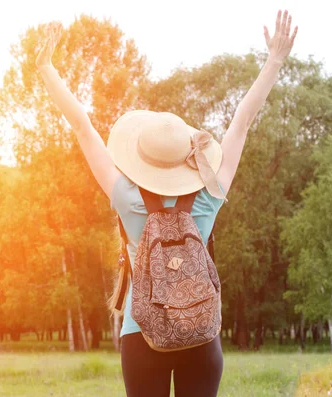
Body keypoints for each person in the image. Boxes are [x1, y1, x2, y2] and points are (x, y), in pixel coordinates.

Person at [36, 10, 298, 397]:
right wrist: (274, 60)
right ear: (184, 156)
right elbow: (242, 121)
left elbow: (82, 127)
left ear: (139, 156)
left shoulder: (126, 195)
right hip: (200, 335)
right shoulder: (209, 194)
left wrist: (46, 68)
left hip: (142, 335)